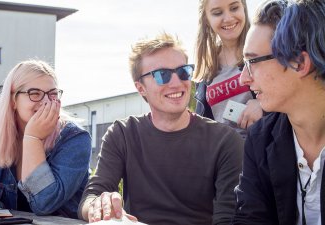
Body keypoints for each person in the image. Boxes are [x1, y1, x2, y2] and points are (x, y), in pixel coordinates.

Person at [78, 33, 244, 225]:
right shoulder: (123, 133)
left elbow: (228, 218)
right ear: (141, 88)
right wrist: (99, 205)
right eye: (162, 75)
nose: (176, 83)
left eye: (183, 71)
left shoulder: (225, 141)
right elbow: (91, 196)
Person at [0, 60, 92, 218]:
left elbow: (45, 203)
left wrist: (33, 138)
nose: (46, 101)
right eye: (35, 93)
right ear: (13, 100)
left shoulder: (74, 138)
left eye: (52, 94)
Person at [233, 0, 325, 224]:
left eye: (252, 61)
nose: (244, 78)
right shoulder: (261, 139)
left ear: (300, 62)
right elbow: (249, 218)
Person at [194, 0, 263, 136]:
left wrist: (263, 106)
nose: (228, 18)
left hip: (263, 149)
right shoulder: (206, 69)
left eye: (234, 8)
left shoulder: (265, 50)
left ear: (243, 8)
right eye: (217, 13)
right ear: (206, 19)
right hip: (225, 153)